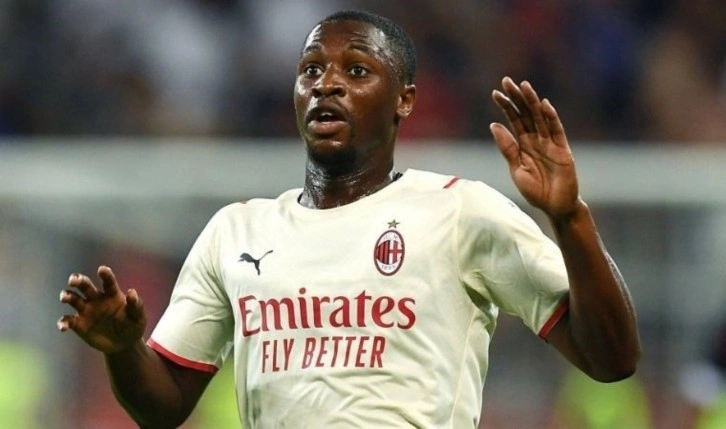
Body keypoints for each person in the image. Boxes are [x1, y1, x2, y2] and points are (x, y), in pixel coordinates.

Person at [57, 9, 641, 428]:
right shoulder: (236, 232)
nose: (327, 83)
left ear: (405, 99)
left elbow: (611, 359)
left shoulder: (461, 211)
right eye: (310, 70)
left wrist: (569, 219)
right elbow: (164, 405)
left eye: (357, 71)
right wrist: (122, 349)